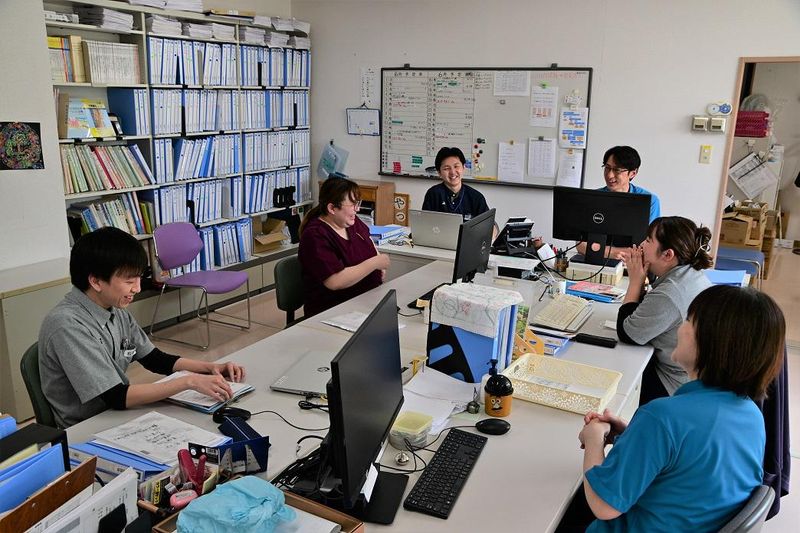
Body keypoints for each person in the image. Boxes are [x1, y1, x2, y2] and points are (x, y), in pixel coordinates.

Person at [572, 285, 785, 532]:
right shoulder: (752, 415)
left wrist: (594, 438)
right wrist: (634, 434)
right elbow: (692, 462)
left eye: (689, 320)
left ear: (711, 342)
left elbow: (604, 506)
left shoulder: (662, 417)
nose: (680, 328)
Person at [39, 227, 246, 428]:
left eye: (139, 278)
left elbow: (155, 359)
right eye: (129, 281)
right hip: (86, 427)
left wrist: (209, 368)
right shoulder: (67, 325)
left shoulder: (114, 308)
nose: (137, 288)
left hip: (116, 413)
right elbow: (115, 396)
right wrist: (189, 382)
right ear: (96, 281)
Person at [616, 216, 712, 405]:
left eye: (648, 240)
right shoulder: (690, 273)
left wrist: (635, 281)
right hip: (695, 377)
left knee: (618, 366)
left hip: (673, 385)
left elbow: (628, 333)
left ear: (668, 255)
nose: (641, 245)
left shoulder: (670, 293)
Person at [298, 177, 389, 317]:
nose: (357, 209)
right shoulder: (315, 235)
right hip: (333, 311)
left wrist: (379, 265)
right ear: (332, 208)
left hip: (367, 300)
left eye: (357, 203)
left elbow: (369, 242)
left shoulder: (351, 222)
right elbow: (334, 281)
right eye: (352, 205)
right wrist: (375, 263)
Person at [576, 146, 661, 260]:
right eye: (607, 168)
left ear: (633, 173)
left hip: (633, 263)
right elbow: (581, 245)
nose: (610, 175)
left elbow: (649, 247)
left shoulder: (650, 201)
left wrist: (601, 250)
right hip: (596, 262)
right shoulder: (593, 198)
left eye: (617, 170)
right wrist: (613, 253)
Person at [422, 146, 489, 221]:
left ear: (463, 168)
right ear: (439, 173)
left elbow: (488, 224)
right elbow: (425, 223)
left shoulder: (476, 197)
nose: (452, 172)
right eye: (446, 168)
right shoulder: (433, 194)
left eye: (456, 166)